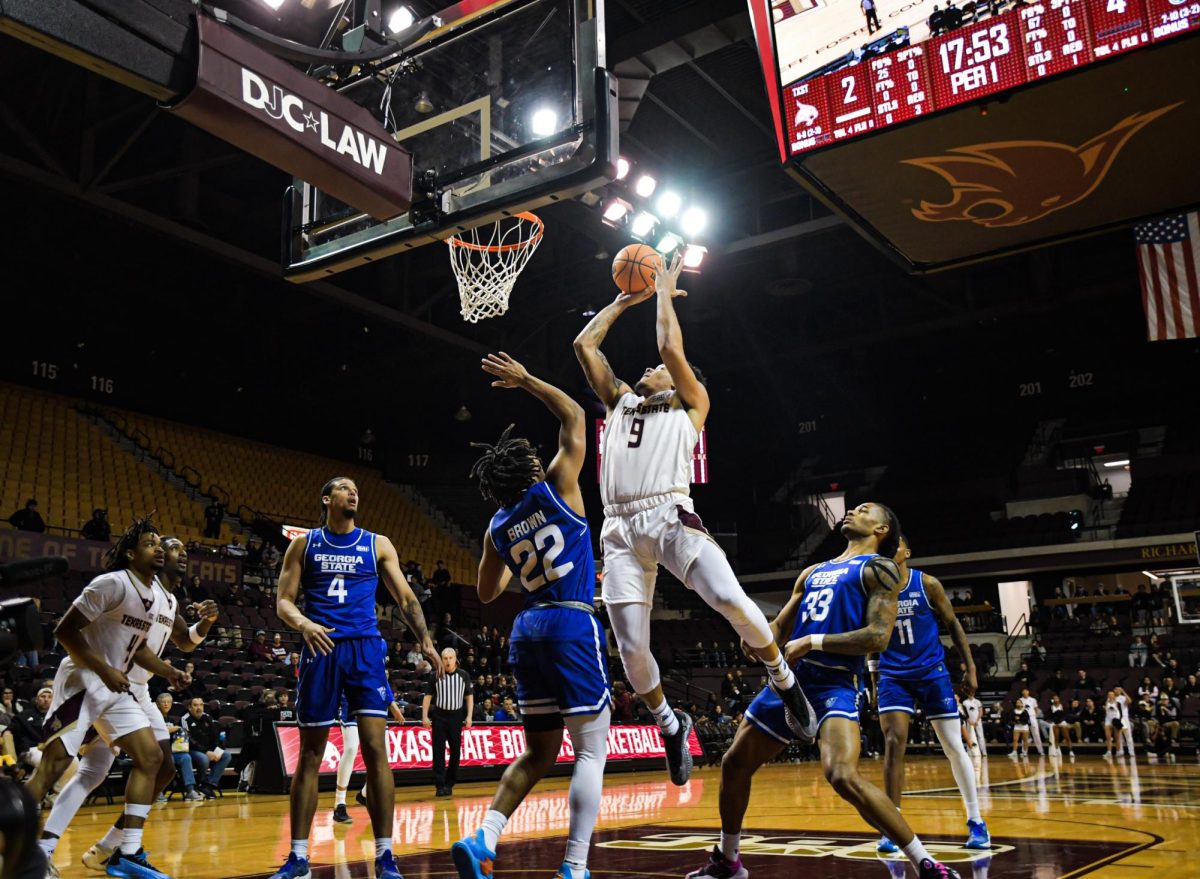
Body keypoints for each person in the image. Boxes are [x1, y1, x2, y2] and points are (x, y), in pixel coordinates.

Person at [574, 253, 816, 787]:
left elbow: (667, 347)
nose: (647, 368)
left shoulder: (690, 405)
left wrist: (662, 290)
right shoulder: (618, 402)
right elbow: (584, 346)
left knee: (730, 600)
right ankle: (670, 723)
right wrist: (621, 301)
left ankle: (783, 679)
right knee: (634, 654)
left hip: (669, 515)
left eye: (656, 370)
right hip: (617, 530)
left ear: (681, 380)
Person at [685, 503, 961, 879]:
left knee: (842, 775)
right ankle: (728, 860)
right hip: (792, 683)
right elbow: (780, 627)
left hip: (835, 684)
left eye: (864, 510)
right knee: (734, 764)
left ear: (881, 528)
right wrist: (753, 635)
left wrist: (812, 641)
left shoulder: (880, 569)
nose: (852, 511)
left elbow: (878, 637)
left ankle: (926, 863)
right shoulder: (813, 571)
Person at [452, 352, 612, 879]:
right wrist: (526, 380)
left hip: (526, 629)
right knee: (591, 750)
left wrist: (517, 562)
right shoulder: (559, 486)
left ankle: (485, 838)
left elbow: (487, 590)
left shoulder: (496, 527)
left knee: (539, 751)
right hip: (570, 620)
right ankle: (575, 866)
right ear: (532, 470)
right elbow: (574, 416)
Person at [270, 477, 441, 879]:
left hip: (365, 649)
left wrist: (426, 640)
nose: (353, 491)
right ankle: (298, 857)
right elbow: (283, 601)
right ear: (327, 499)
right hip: (322, 647)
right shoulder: (304, 544)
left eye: (355, 488)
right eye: (344, 488)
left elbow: (406, 598)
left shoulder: (377, 543)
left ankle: (385, 855)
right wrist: (304, 624)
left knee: (375, 749)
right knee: (311, 755)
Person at [24, 516, 188, 879]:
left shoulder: (150, 596)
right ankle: (24, 851)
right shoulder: (112, 583)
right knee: (53, 764)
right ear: (130, 553)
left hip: (116, 686)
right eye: (149, 543)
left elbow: (137, 648)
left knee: (153, 758)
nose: (158, 548)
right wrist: (104, 669)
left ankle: (124, 852)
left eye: (160, 543)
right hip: (83, 679)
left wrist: (168, 671)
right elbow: (64, 630)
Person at [45, 537, 219, 871]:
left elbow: (185, 641)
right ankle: (101, 849)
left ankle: (107, 847)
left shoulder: (169, 601)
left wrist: (207, 624)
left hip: (137, 689)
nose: (181, 554)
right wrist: (168, 671)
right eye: (172, 548)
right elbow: (138, 647)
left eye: (183, 550)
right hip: (110, 682)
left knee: (153, 768)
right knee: (104, 767)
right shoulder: (140, 591)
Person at [873, 536, 988, 853]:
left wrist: (970, 667)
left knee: (953, 745)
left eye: (895, 543)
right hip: (893, 674)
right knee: (894, 744)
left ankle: (976, 820)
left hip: (931, 672)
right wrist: (872, 679)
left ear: (907, 552)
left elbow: (953, 623)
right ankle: (893, 827)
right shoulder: (875, 590)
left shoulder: (927, 584)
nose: (888, 548)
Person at [423, 647, 473, 797]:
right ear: (441, 660)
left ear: (455, 659)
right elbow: (427, 696)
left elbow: (469, 697)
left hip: (456, 717)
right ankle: (439, 785)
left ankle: (450, 783)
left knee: (455, 751)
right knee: (438, 751)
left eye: (450, 658)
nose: (447, 661)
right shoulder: (435, 675)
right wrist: (425, 716)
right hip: (439, 716)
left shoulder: (464, 675)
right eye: (445, 658)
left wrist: (469, 716)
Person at [156, 693, 204, 801]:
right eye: (163, 702)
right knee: (169, 759)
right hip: (158, 751)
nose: (166, 704)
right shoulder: (153, 718)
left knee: (186, 757)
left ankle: (190, 790)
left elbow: (174, 737)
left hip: (172, 749)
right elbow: (153, 733)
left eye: (168, 702)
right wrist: (170, 730)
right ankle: (158, 791)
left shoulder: (171, 720)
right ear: (158, 704)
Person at [183, 697, 231, 797]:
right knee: (204, 758)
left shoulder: (207, 717)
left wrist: (217, 751)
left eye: (201, 705)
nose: (199, 708)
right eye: (195, 705)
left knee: (226, 755)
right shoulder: (185, 719)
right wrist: (206, 752)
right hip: (192, 750)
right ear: (189, 707)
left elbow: (215, 737)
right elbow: (189, 740)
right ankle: (201, 783)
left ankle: (209, 785)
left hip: (208, 749)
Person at [1104, 688, 1135, 758]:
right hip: (1115, 718)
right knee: (1119, 736)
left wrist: (1123, 691)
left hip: (1124, 717)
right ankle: (1120, 751)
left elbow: (1130, 701)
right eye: (1115, 689)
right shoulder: (1111, 698)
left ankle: (1131, 751)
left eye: (1118, 689)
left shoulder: (1123, 697)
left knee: (1128, 734)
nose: (1116, 690)